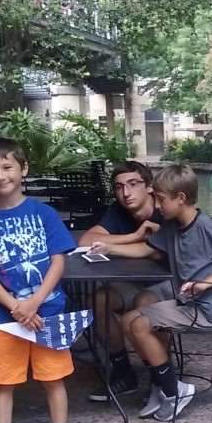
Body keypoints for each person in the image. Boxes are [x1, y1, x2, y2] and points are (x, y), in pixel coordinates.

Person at [89, 163, 212, 422]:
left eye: (161, 200)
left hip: (209, 310)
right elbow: (145, 249)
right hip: (189, 302)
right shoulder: (173, 225)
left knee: (139, 325)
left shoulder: (205, 227)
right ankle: (162, 385)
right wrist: (108, 248)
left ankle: (173, 390)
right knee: (129, 319)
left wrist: (204, 284)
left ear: (180, 198)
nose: (157, 206)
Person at [0, 137, 77, 423]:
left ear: (23, 169)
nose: (1, 176)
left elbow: (58, 261)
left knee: (53, 379)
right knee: (2, 383)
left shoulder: (44, 214)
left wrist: (34, 302)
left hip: (47, 313)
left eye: (7, 167)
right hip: (5, 318)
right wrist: (16, 306)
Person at [78, 161, 164, 402]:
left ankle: (161, 377)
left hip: (174, 285)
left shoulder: (165, 208)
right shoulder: (119, 211)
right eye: (119, 187)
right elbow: (85, 241)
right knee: (97, 301)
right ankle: (124, 374)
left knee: (145, 304)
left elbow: (155, 251)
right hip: (137, 283)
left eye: (133, 184)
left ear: (149, 187)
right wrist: (134, 235)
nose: (126, 193)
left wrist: (112, 246)